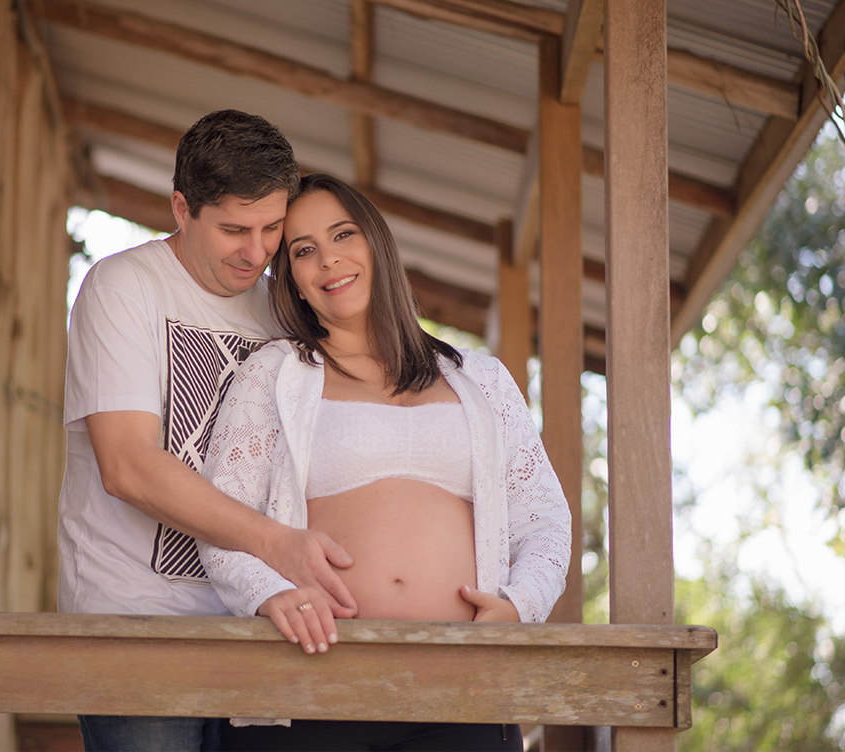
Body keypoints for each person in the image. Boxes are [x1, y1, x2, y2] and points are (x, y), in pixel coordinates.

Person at [197, 173, 572, 751]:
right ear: (292, 279)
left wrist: (520, 607)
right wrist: (267, 594)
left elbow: (544, 517)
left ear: (376, 242)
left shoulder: (482, 379)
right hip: (309, 686)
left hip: (460, 688)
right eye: (303, 251)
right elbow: (218, 518)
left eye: (342, 234)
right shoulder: (272, 376)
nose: (328, 261)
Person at [58, 113, 361, 752]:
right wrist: (277, 544)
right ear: (181, 208)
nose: (256, 252)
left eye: (272, 228)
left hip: (263, 621)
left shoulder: (284, 305)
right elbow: (128, 467)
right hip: (138, 626)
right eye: (232, 230)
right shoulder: (123, 288)